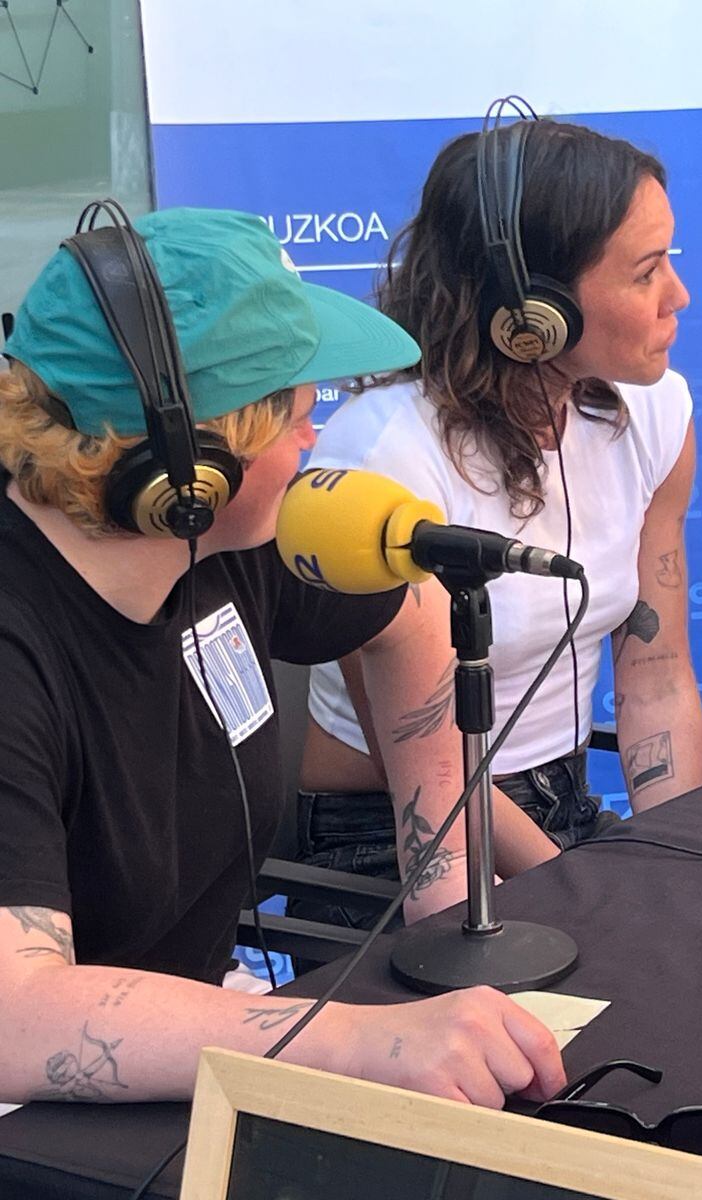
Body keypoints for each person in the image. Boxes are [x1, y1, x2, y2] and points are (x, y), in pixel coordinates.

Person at [0, 206, 566, 1105]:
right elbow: (16, 1015)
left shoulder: (237, 544)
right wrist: (351, 1040)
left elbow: (412, 611)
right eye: (296, 409)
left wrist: (444, 891)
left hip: (182, 1068)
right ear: (189, 470)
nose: (315, 435)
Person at [295, 116, 702, 926]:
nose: (678, 297)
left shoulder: (658, 414)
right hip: (388, 836)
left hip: (566, 805)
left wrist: (674, 863)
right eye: (646, 271)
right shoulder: (382, 457)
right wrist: (592, 898)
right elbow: (429, 761)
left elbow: (656, 678)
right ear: (535, 311)